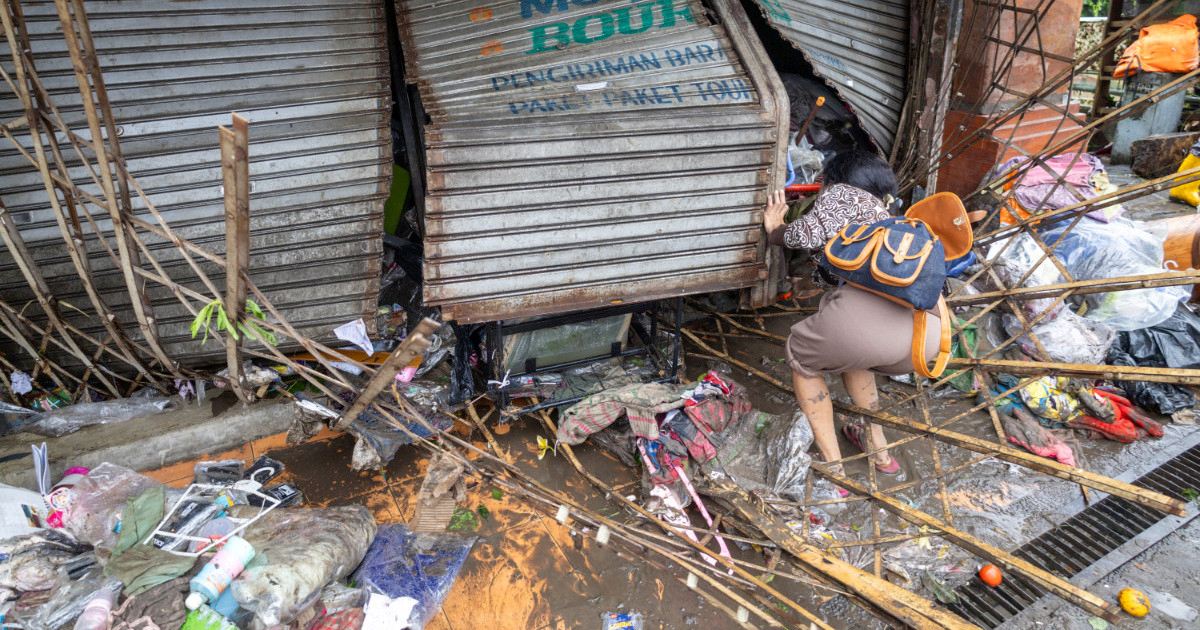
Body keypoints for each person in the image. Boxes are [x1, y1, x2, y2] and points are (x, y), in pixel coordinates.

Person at [762, 152, 941, 487]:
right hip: (923, 338)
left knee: (802, 357)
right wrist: (810, 283)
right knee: (853, 357)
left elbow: (806, 236)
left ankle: (834, 468)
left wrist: (775, 230)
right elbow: (852, 265)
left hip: (867, 326)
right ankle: (881, 455)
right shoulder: (890, 219)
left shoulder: (844, 193)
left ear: (835, 178)